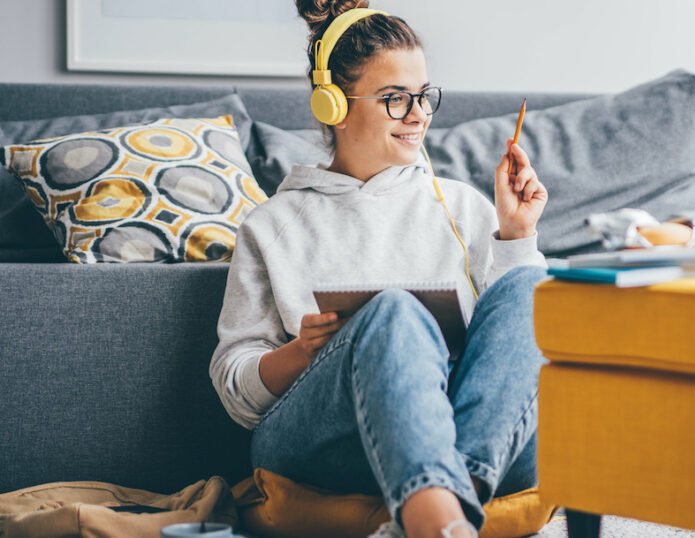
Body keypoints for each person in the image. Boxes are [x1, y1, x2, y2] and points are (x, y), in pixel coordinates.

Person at [209, 1, 550, 537]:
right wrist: (301, 354)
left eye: (424, 96)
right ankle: (440, 518)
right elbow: (236, 395)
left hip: (477, 438)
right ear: (333, 106)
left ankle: (445, 508)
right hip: (333, 442)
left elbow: (520, 358)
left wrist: (516, 236)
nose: (419, 115)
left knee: (531, 286)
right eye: (395, 99)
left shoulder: (464, 207)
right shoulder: (274, 225)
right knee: (394, 312)